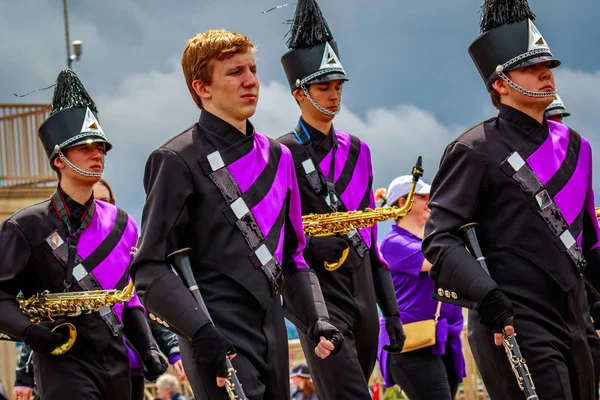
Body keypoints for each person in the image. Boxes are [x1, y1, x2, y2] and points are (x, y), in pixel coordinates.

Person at [131, 29, 343, 400]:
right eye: (234, 72)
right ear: (202, 87)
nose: (251, 81)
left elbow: (292, 257)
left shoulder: (280, 157)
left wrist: (316, 318)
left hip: (273, 328)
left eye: (253, 69)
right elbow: (149, 268)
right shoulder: (176, 159)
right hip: (215, 332)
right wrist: (198, 332)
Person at [422, 0, 600, 398]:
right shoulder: (473, 149)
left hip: (577, 321)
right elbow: (440, 239)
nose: (544, 73)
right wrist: (487, 297)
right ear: (500, 83)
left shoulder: (579, 147)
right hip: (513, 321)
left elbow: (588, 242)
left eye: (548, 66)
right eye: (529, 66)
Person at [0, 69, 166, 400]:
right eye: (86, 147)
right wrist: (31, 334)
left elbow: (127, 296)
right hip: (62, 362)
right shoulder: (25, 226)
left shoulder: (123, 223)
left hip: (116, 361)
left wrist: (148, 346)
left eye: (101, 147)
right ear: (59, 158)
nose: (97, 154)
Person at [276, 1, 405, 398]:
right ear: (299, 92)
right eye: (323, 87)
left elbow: (371, 235)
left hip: (363, 285)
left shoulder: (359, 150)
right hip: (318, 291)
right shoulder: (279, 153)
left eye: (337, 87)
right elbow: (275, 237)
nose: (333, 96)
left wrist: (391, 311)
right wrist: (313, 244)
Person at [12, 178, 184, 400]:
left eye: (105, 201)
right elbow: (45, 317)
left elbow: (142, 306)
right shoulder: (61, 254)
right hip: (79, 364)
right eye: (93, 200)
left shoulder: (126, 247)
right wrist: (24, 376)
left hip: (128, 365)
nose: (97, 206)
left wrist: (169, 349)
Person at [375, 177, 466, 399]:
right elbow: (439, 261)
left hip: (442, 339)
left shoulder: (434, 240)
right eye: (423, 197)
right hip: (413, 343)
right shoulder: (393, 243)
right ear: (402, 202)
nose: (431, 201)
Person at [544, 96, 600, 399]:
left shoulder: (577, 158)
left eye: (560, 119)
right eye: (552, 121)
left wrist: (595, 296)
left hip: (574, 299)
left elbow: (584, 245)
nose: (559, 128)